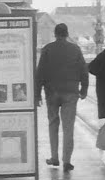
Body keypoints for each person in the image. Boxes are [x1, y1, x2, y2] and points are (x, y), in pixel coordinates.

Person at [35, 23, 88, 172]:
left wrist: (37, 93)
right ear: (67, 34)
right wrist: (83, 89)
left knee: (53, 124)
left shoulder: (47, 49)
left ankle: (54, 157)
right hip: (70, 92)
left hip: (52, 92)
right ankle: (67, 161)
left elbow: (40, 72)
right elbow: (84, 70)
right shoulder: (75, 49)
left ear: (55, 34)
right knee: (68, 127)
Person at [88, 47, 105, 119]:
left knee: (103, 107)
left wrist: (100, 73)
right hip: (104, 85)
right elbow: (91, 67)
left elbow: (91, 67)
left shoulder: (102, 55)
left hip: (102, 85)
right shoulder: (103, 55)